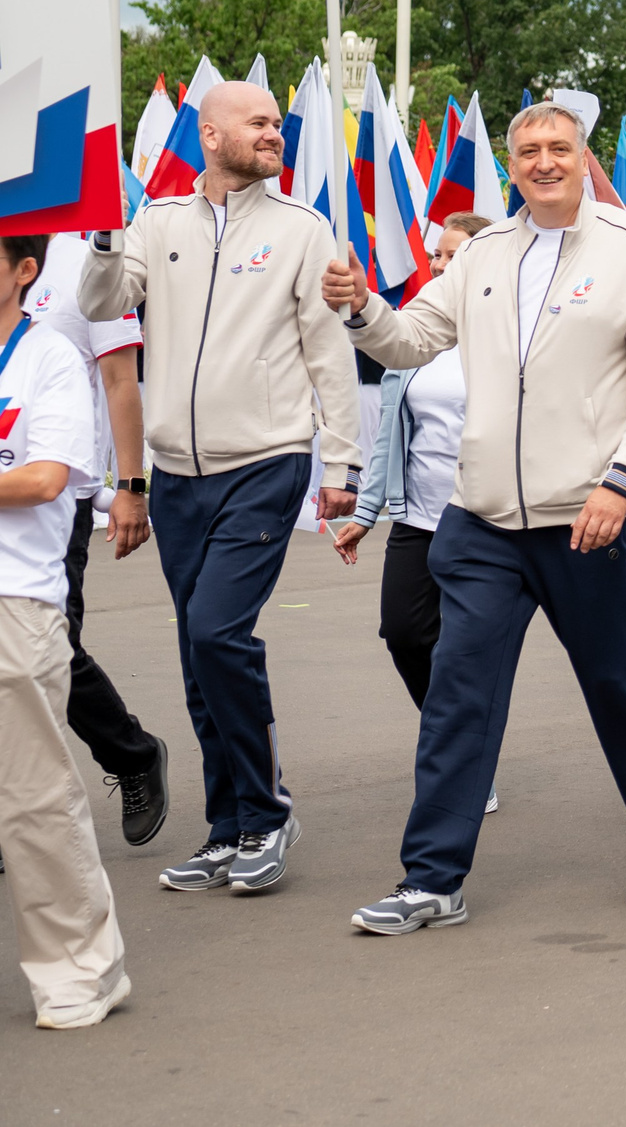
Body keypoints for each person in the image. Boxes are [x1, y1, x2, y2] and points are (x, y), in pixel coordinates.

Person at [328, 101, 626, 934]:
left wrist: (622, 482)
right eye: (528, 149)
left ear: (581, 153)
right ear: (512, 163)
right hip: (484, 520)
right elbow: (411, 338)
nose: (544, 160)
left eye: (559, 146)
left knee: (617, 684)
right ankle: (431, 878)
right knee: (459, 692)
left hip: (587, 518)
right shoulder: (486, 252)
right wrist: (359, 309)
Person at [80, 80, 364, 897]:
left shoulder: (303, 230)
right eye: (259, 121)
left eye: (278, 122)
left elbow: (328, 355)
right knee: (197, 654)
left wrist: (340, 467)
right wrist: (102, 235)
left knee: (215, 633)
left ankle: (269, 814)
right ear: (209, 132)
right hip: (178, 474)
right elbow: (102, 301)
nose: (275, 132)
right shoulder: (157, 222)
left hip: (265, 463)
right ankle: (226, 825)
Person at [0, 234, 132, 1029]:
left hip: (16, 602)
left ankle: (81, 969)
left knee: (32, 802)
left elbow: (44, 476)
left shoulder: (47, 357)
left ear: (23, 271)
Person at [26, 234, 168, 850]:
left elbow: (118, 382)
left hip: (58, 496)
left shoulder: (88, 261)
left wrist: (132, 488)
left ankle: (130, 754)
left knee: (48, 648)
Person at [338, 219, 488, 762]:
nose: (440, 265)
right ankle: (454, 740)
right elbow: (391, 437)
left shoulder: (506, 333)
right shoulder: (415, 337)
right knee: (403, 634)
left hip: (484, 520)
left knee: (466, 649)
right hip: (419, 519)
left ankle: (461, 759)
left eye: (452, 255)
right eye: (437, 255)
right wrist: (368, 509)